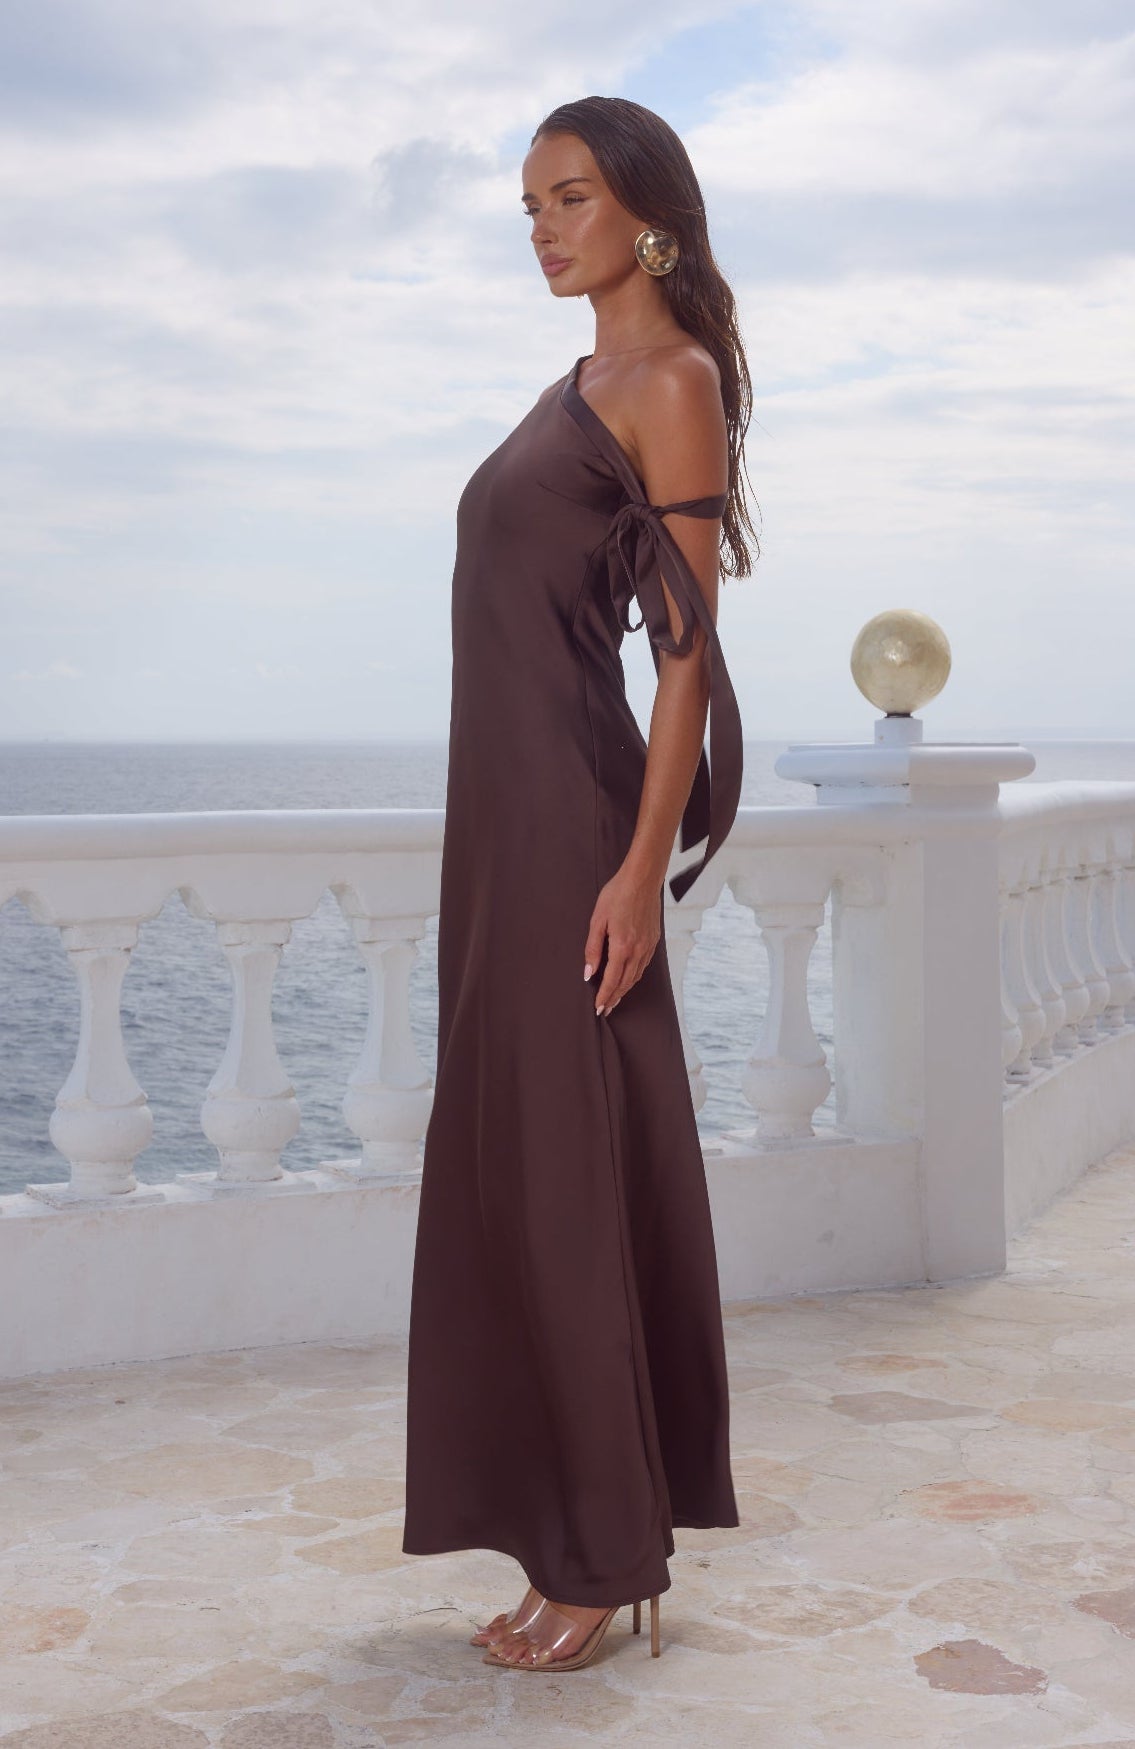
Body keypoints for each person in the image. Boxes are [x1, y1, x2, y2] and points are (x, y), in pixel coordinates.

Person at [401, 93, 758, 1674]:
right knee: (518, 1174)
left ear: (645, 216)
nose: (543, 229)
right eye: (529, 206)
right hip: (498, 824)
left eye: (569, 199)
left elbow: (684, 662)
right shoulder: (576, 385)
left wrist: (635, 870)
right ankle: (565, 1531)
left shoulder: (670, 382)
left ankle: (606, 1556)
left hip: (571, 826)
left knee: (567, 1175)